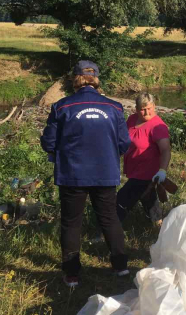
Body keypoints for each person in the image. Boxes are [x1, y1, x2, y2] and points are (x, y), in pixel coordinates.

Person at [41, 60, 131, 287]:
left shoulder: (61, 107)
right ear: (96, 79)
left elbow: (48, 142)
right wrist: (107, 155)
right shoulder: (114, 107)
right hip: (105, 172)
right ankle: (121, 267)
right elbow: (124, 143)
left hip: (73, 174)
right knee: (109, 218)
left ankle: (72, 274)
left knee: (72, 222)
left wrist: (62, 152)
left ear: (76, 79)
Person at [116, 93, 171, 226]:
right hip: (134, 170)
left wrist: (162, 171)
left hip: (147, 174)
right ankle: (159, 227)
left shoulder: (158, 126)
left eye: (149, 108)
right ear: (136, 108)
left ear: (154, 106)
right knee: (148, 199)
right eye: (142, 109)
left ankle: (109, 231)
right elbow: (123, 140)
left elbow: (165, 150)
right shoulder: (132, 119)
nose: (146, 112)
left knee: (120, 202)